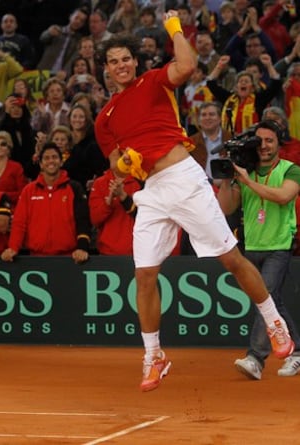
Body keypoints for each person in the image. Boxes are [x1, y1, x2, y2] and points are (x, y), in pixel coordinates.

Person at [94, 14, 294, 393]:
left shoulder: (153, 81)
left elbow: (186, 66)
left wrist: (174, 28)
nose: (120, 65)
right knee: (144, 275)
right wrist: (123, 166)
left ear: (134, 62)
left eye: (125, 59)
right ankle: (154, 355)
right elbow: (112, 164)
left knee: (231, 259)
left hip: (183, 179)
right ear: (105, 69)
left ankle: (274, 322)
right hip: (151, 191)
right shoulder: (105, 118)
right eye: (113, 61)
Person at [217, 120, 300, 379]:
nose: (263, 146)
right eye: (259, 141)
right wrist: (227, 179)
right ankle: (297, 352)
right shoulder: (246, 172)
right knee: (272, 301)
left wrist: (245, 180)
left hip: (279, 244)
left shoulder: (291, 169)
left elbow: (284, 196)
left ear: (278, 143)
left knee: (265, 296)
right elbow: (226, 208)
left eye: (269, 141)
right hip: (251, 245)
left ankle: (255, 358)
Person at [1, 142, 91, 263]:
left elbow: (83, 220)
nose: (51, 161)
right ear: (41, 164)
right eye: (46, 158)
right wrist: (13, 247)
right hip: (36, 259)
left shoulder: (74, 188)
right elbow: (19, 222)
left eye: (54, 157)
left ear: (61, 162)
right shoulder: (29, 190)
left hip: (69, 259)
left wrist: (82, 247)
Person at [89, 168, 142, 255]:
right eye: (117, 154)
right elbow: (95, 220)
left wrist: (123, 196)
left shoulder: (141, 181)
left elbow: (149, 217)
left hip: (139, 252)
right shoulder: (100, 183)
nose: (123, 157)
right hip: (107, 253)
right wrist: (107, 204)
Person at [0, 131, 27, 211]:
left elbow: (23, 193)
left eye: (3, 144)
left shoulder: (16, 167)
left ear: (9, 149)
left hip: (10, 210)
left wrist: (1, 196)